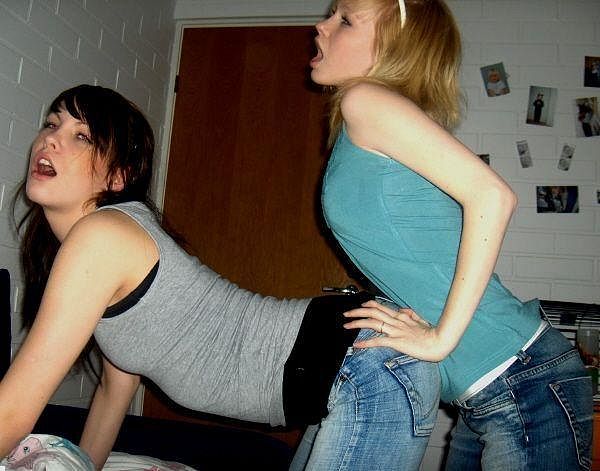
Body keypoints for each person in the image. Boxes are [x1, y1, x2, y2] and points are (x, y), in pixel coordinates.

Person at [0, 84, 436, 471]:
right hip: (352, 364)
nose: (51, 139)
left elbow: (15, 409)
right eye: (52, 124)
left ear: (119, 176)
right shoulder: (102, 246)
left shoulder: (102, 235)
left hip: (364, 364)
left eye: (80, 136)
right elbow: (114, 393)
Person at [304, 0, 593, 470]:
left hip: (523, 381)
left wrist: (439, 340)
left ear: (394, 46)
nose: (321, 25)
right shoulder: (364, 120)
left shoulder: (365, 101)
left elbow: (493, 196)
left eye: (346, 19)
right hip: (489, 395)